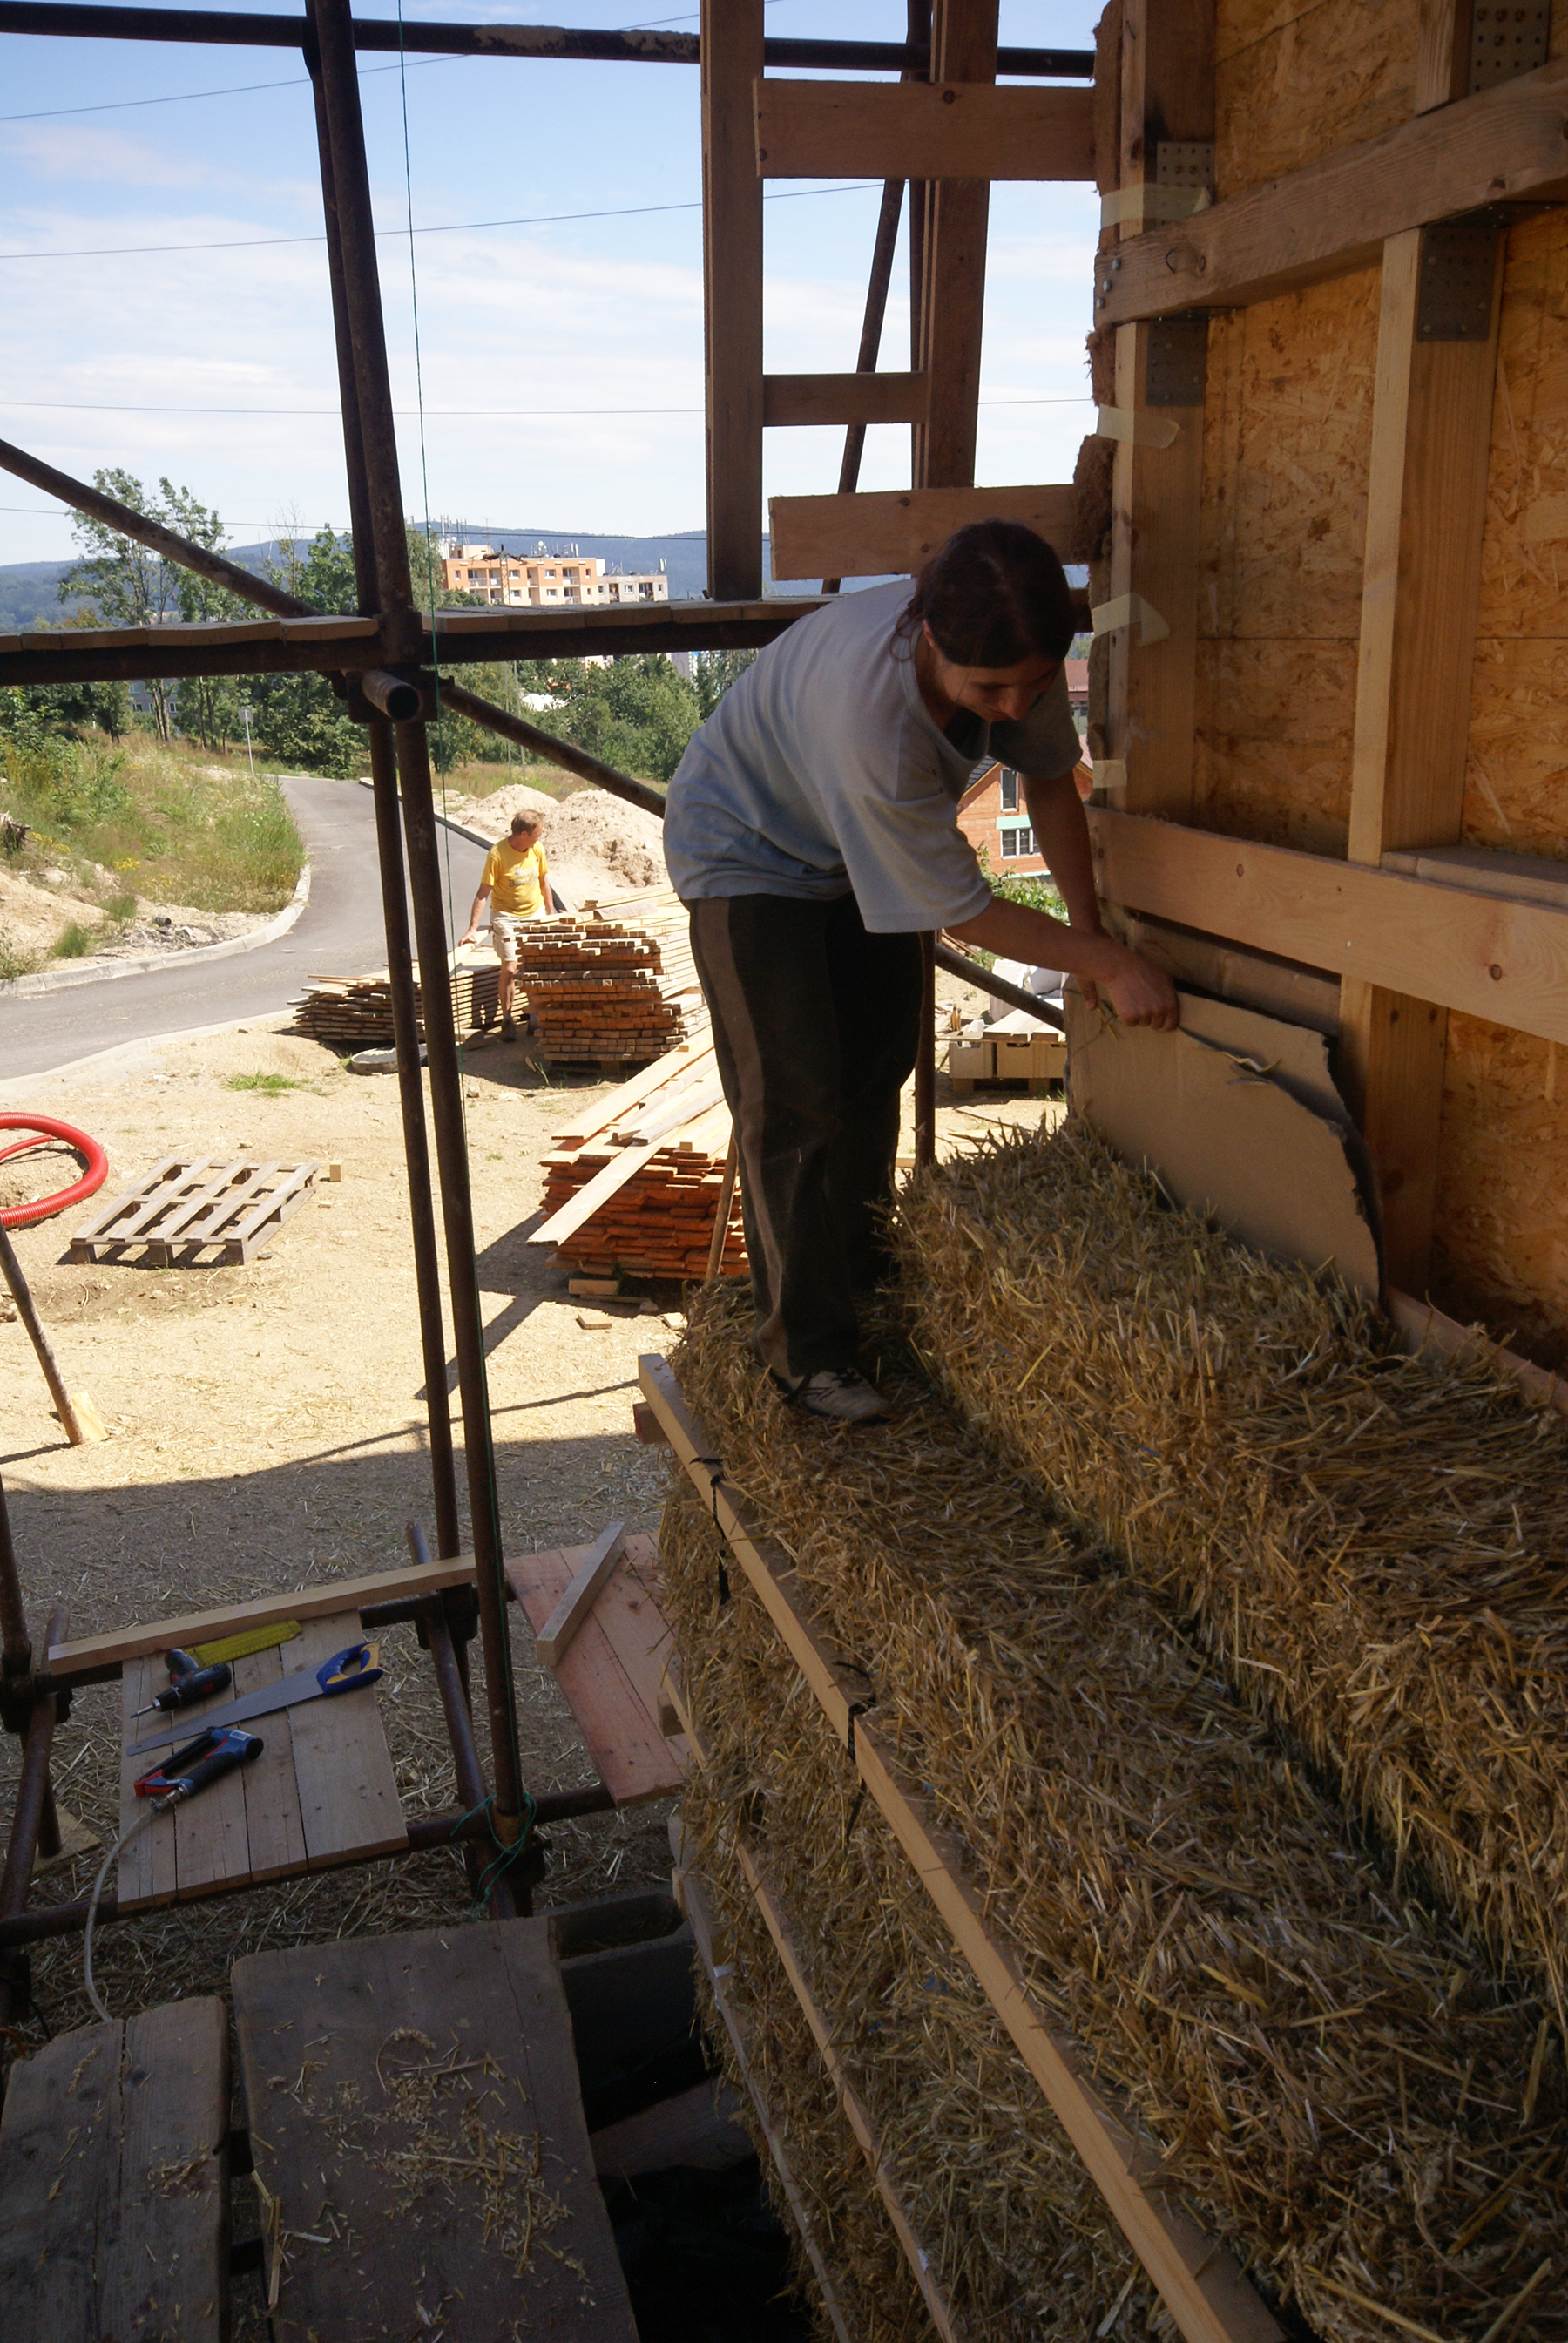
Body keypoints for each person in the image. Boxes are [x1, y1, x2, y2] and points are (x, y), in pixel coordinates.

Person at [664, 519, 1178, 1425]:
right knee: (793, 1101)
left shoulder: (1015, 650)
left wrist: (1090, 930)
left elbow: (1050, 779)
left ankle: (863, 1280)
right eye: (991, 690)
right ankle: (807, 1354)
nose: (1013, 706)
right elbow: (959, 906)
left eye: (1031, 685)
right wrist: (1101, 959)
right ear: (931, 637)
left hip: (842, 847)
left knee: (876, 1068)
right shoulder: (871, 719)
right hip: (745, 851)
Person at [459, 809, 558, 1041]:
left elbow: (543, 881)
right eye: (537, 834)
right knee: (511, 968)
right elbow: (483, 893)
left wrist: (551, 912)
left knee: (534, 966)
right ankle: (507, 1018)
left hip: (534, 913)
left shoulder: (537, 849)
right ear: (523, 834)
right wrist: (472, 928)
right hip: (506, 916)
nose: (539, 839)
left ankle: (535, 1019)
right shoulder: (498, 855)